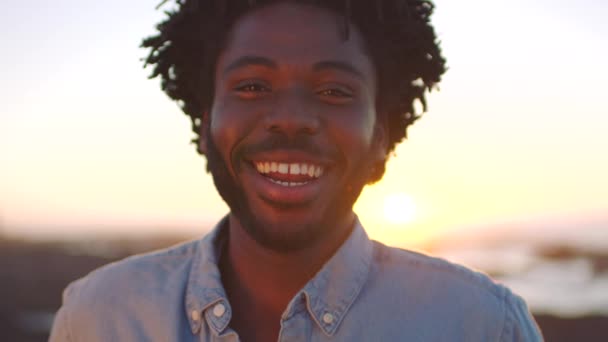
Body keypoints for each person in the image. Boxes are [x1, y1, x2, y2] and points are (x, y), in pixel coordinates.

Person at [50, 0, 543, 341]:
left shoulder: (482, 326)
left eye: (334, 91)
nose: (290, 118)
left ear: (380, 137)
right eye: (252, 86)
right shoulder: (99, 316)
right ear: (206, 126)